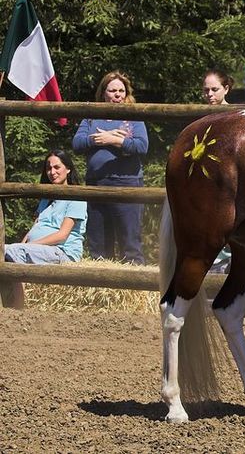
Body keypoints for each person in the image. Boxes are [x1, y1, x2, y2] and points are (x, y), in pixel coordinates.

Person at [72, 71, 148, 265]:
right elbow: (77, 143)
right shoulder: (91, 117)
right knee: (98, 243)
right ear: (103, 92)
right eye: (112, 90)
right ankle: (101, 286)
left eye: (121, 90)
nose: (117, 94)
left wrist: (116, 140)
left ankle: (132, 287)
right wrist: (100, 138)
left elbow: (142, 146)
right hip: (96, 185)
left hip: (127, 184)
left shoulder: (133, 116)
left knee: (130, 242)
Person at [0, 150, 87, 309]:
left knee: (11, 251)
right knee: (5, 252)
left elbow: (62, 235)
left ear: (68, 169)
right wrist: (23, 244)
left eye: (57, 167)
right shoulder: (46, 197)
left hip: (61, 251)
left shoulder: (76, 196)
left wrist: (28, 247)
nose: (52, 172)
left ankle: (19, 310)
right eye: (48, 168)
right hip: (39, 249)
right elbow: (36, 226)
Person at [202, 69, 234, 273]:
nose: (210, 95)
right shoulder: (200, 115)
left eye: (215, 89)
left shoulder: (234, 116)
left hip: (228, 178)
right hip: (206, 179)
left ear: (226, 89)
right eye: (206, 90)